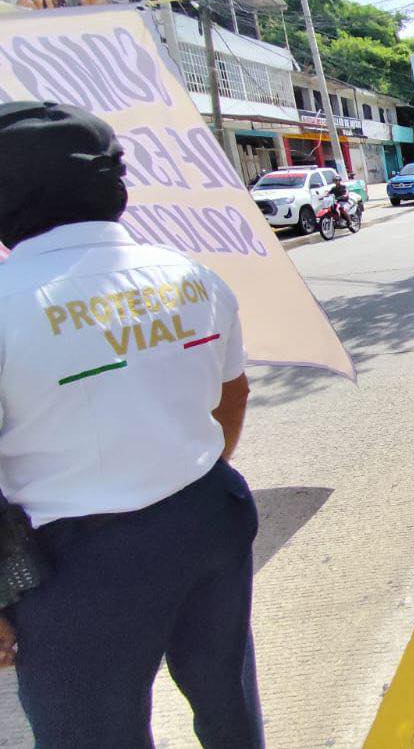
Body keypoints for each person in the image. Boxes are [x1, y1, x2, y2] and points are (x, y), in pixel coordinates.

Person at [0, 102, 262, 747]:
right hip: (209, 515)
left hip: (77, 572)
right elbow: (233, 392)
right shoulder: (192, 277)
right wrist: (197, 469)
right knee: (227, 700)